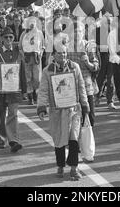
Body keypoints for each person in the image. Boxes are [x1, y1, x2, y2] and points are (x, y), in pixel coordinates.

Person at [37, 44, 89, 180]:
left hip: (73, 110)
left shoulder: (74, 67)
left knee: (74, 139)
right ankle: (60, 166)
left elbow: (81, 86)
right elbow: (43, 90)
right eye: (60, 53)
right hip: (57, 111)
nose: (63, 56)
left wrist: (85, 105)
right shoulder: (48, 71)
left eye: (65, 53)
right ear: (53, 55)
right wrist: (42, 107)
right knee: (59, 140)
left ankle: (74, 168)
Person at [0, 27, 27, 153]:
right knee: (1, 116)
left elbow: (22, 71)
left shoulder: (18, 53)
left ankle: (13, 141)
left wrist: (24, 89)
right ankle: (3, 138)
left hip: (14, 90)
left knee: (13, 113)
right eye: (6, 37)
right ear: (2, 39)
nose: (8, 39)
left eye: (11, 37)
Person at [66, 22, 99, 128]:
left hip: (86, 83)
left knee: (89, 115)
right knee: (73, 117)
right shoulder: (66, 47)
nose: (77, 34)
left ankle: (88, 137)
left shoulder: (88, 46)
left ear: (83, 32)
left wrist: (88, 63)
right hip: (71, 84)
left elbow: (96, 66)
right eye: (75, 32)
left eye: (80, 31)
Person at [19, 17, 45, 105]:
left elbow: (43, 46)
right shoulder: (24, 34)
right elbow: (20, 47)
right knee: (28, 77)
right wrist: (23, 56)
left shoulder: (39, 33)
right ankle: (30, 95)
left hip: (36, 57)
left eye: (33, 22)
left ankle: (35, 93)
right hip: (27, 57)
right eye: (30, 22)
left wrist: (40, 54)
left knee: (37, 78)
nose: (32, 24)